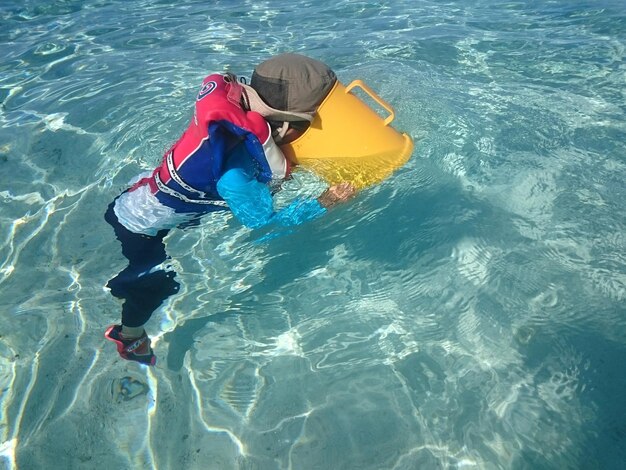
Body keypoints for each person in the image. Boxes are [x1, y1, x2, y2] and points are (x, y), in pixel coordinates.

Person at [104, 53, 355, 365]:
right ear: (288, 126)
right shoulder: (235, 179)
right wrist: (323, 204)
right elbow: (266, 227)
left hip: (146, 190)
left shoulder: (239, 120)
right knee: (158, 285)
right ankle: (128, 337)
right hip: (137, 225)